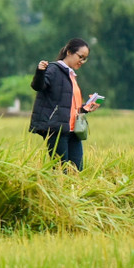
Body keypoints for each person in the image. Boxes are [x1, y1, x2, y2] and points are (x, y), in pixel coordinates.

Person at [29, 37, 100, 171]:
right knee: (61, 171)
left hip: (74, 131)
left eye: (85, 58)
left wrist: (85, 108)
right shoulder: (53, 69)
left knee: (77, 170)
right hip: (57, 130)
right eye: (81, 56)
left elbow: (69, 105)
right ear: (69, 52)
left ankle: (75, 192)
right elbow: (38, 86)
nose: (82, 61)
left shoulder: (71, 75)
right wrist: (40, 71)